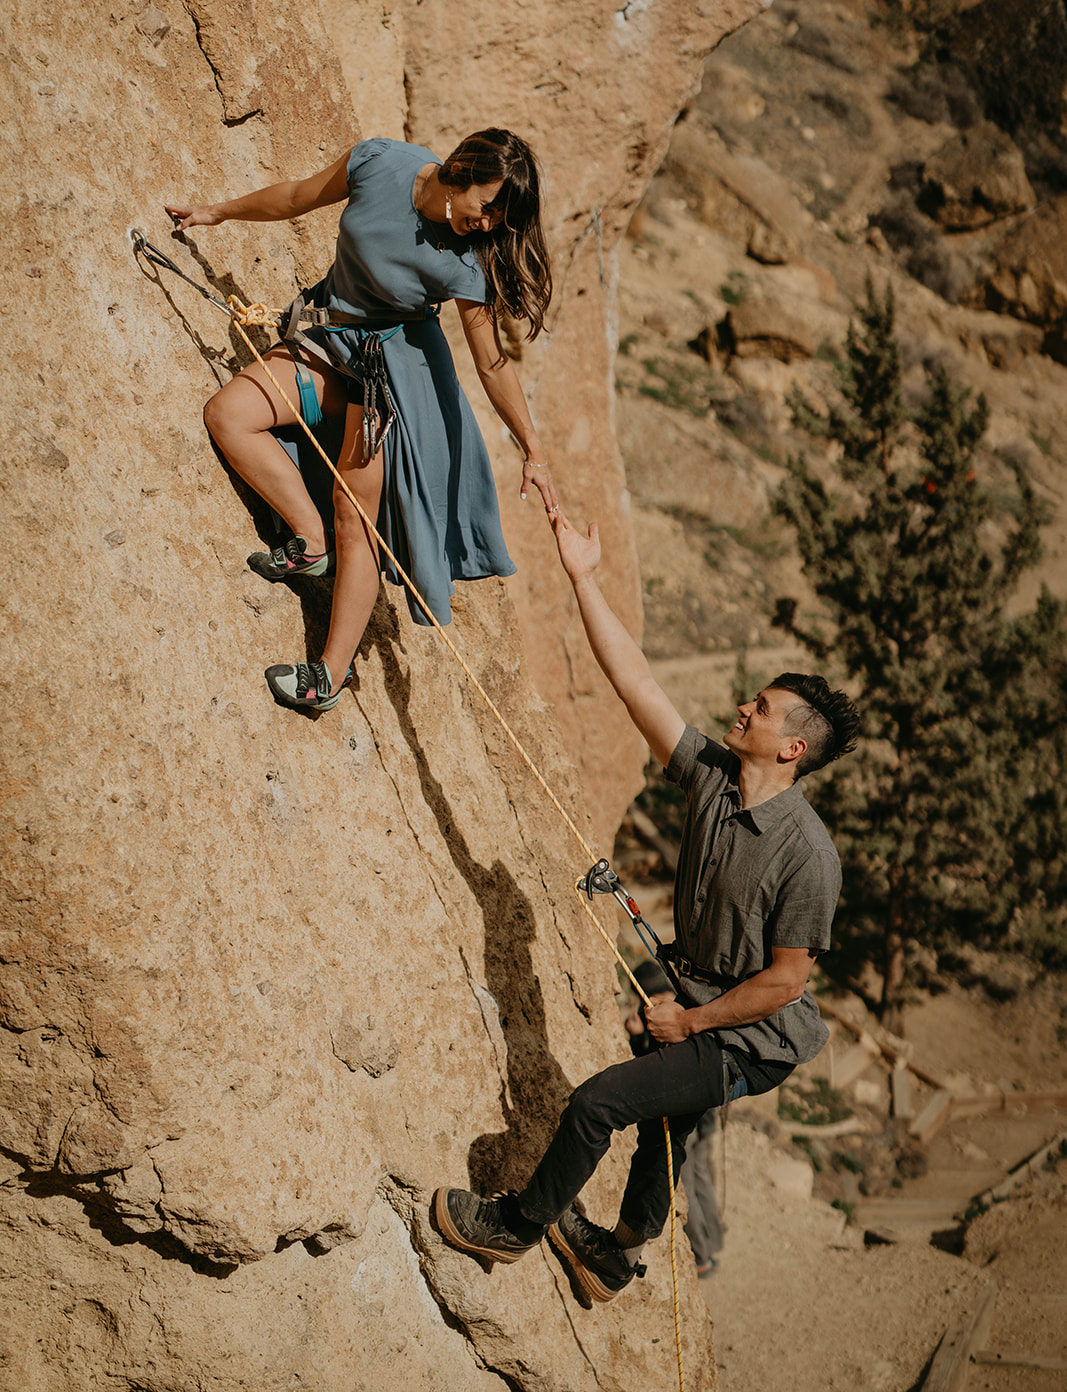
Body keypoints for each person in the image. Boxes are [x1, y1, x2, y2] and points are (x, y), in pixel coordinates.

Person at [434, 511, 860, 1304]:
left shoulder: (808, 856)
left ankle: (514, 1230)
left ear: (792, 747)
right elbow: (635, 681)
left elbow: (786, 984)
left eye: (760, 709)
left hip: (748, 1039)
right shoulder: (708, 775)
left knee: (599, 1104)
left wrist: (691, 1023)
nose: (743, 708)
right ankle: (617, 1253)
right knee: (665, 1125)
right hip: (702, 1002)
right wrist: (582, 579)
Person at [165, 130, 558, 712]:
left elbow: (491, 364)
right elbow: (298, 195)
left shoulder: (466, 265)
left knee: (358, 519)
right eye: (488, 206)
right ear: (464, 169)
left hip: (387, 381)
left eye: (502, 218)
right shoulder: (380, 162)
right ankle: (308, 538)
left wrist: (534, 451)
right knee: (229, 415)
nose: (489, 223)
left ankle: (328, 676)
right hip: (331, 341)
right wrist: (216, 212)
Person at [625, 959, 723, 1279]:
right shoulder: (688, 1003)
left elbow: (655, 1064)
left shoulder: (659, 1014)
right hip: (708, 1109)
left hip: (686, 1114)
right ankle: (715, 1239)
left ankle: (702, 1254)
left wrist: (638, 1037)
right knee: (701, 1175)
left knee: (687, 1185)